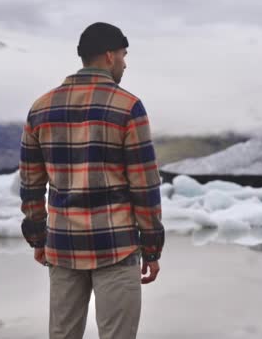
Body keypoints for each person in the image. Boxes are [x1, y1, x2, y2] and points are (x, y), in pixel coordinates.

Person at [19, 22, 165, 339]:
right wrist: (152, 248)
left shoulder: (41, 108)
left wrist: (37, 235)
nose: (125, 63)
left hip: (62, 244)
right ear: (110, 55)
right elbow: (145, 185)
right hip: (117, 244)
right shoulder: (128, 107)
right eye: (124, 55)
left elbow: (31, 184)